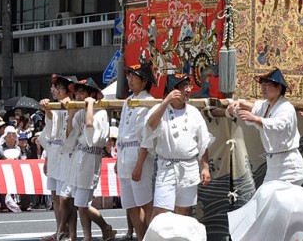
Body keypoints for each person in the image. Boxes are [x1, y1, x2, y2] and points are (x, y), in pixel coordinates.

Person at [146, 73, 212, 218]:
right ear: (173, 90)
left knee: (184, 212)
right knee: (160, 212)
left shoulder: (194, 112)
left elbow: (203, 142)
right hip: (166, 168)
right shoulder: (160, 110)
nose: (188, 90)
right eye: (183, 86)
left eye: (188, 86)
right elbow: (151, 124)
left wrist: (205, 167)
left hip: (188, 167)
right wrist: (166, 101)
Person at [228, 68, 303, 185]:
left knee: (282, 201)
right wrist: (239, 103)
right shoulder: (267, 105)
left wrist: (255, 118)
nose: (263, 88)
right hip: (273, 165)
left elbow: (278, 125)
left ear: (279, 88)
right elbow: (255, 106)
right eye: (262, 85)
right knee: (265, 198)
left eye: (268, 85)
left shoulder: (286, 108)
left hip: (288, 166)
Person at [63, 78, 115, 241]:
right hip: (79, 156)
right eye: (77, 93)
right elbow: (70, 137)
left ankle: (105, 227)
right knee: (80, 202)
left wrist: (91, 105)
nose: (78, 96)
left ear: (91, 94)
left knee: (82, 204)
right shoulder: (79, 111)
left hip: (91, 158)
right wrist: (71, 115)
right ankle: (88, 236)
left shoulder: (100, 112)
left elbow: (90, 129)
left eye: (82, 92)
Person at [118, 63, 158, 241]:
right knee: (131, 204)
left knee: (146, 203)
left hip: (138, 153)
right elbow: (120, 131)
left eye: (134, 77)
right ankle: (141, 238)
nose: (130, 79)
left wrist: (139, 164)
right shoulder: (128, 100)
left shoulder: (148, 101)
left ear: (144, 81)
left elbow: (147, 137)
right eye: (129, 76)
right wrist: (118, 159)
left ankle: (152, 237)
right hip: (124, 153)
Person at [39, 74, 76, 241]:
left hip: (67, 153)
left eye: (59, 88)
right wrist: (46, 157)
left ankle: (65, 230)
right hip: (53, 152)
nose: (56, 91)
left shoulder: (73, 105)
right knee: (55, 196)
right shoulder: (54, 106)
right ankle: (59, 229)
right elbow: (49, 131)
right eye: (55, 88)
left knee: (65, 197)